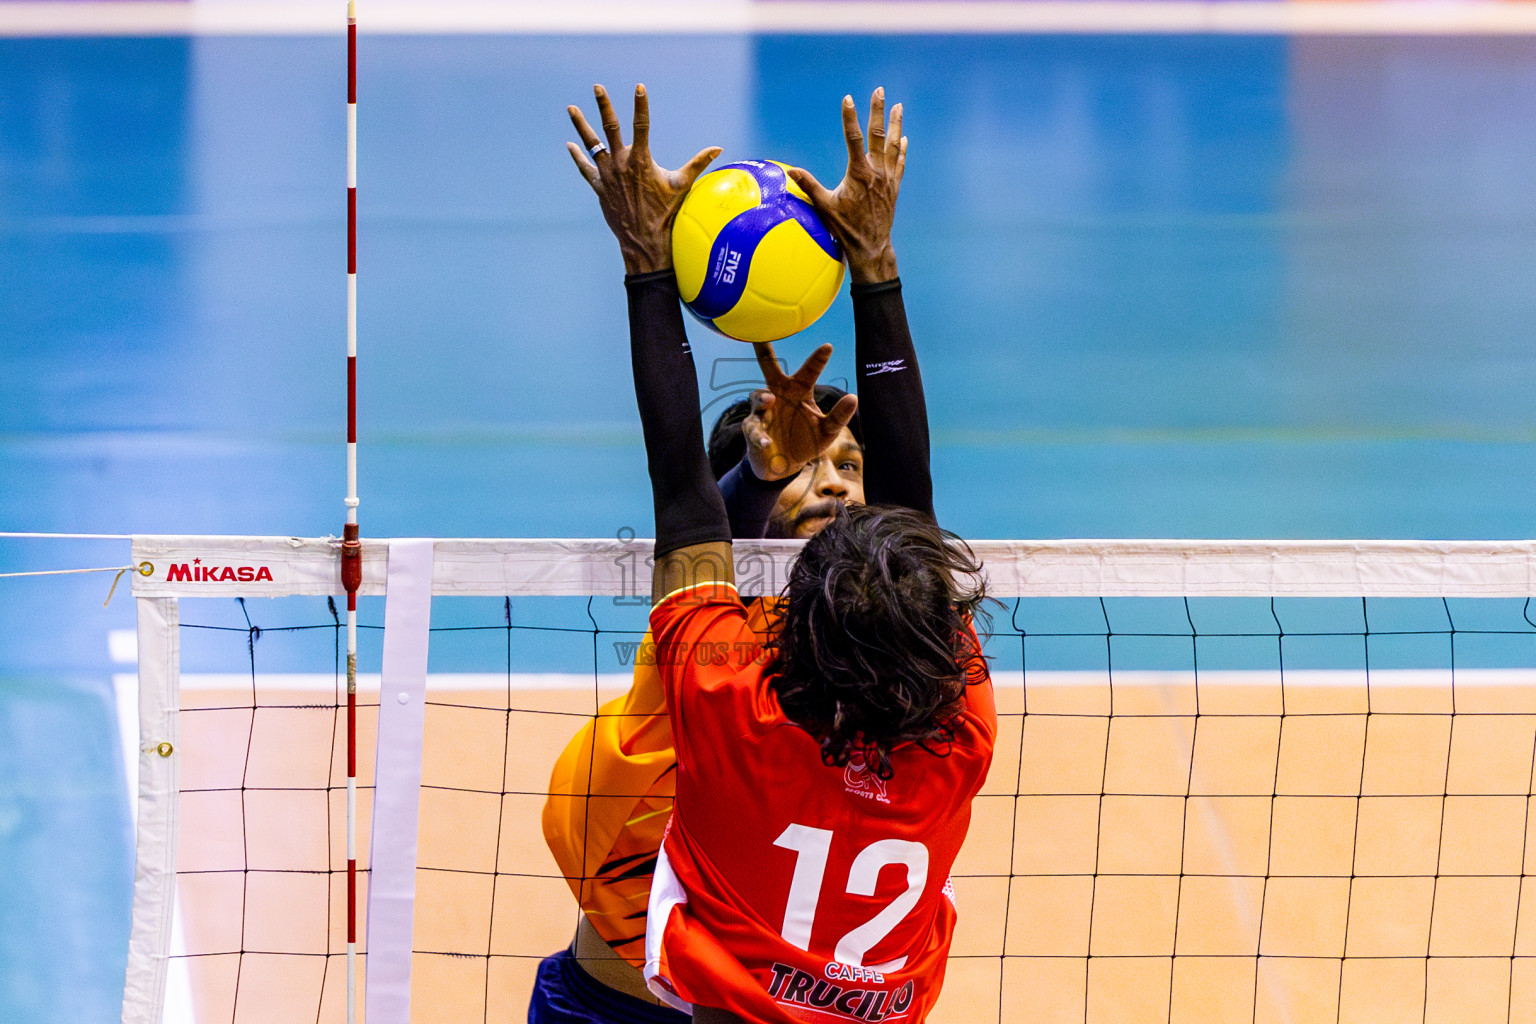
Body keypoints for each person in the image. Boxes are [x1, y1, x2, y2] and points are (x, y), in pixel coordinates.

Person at [533, 83, 991, 1024]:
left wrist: (644, 264)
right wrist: (875, 266)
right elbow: (899, 520)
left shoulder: (725, 694)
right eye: (815, 473)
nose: (833, 486)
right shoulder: (952, 720)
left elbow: (688, 523)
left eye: (849, 469)